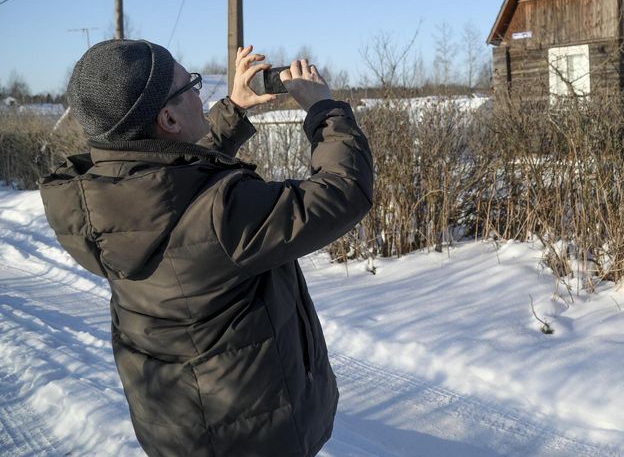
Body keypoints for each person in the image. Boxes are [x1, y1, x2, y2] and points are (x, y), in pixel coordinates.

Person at [39, 40, 373, 456]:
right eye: (190, 86)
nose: (200, 94)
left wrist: (234, 107)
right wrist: (325, 111)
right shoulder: (223, 212)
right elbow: (343, 191)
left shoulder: (97, 202)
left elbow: (169, 182)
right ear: (168, 117)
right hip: (252, 436)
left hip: (177, 430)